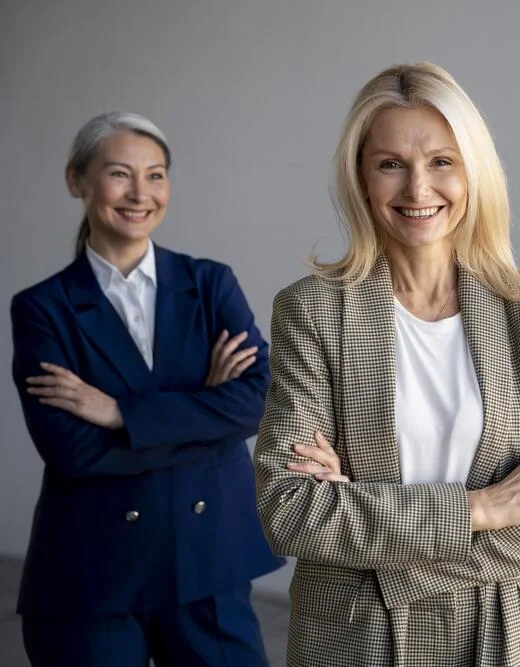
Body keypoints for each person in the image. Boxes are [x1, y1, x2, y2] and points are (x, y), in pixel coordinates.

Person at [253, 62, 520, 667]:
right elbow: (292, 512)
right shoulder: (311, 312)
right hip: (356, 640)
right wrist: (485, 508)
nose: (417, 188)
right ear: (361, 177)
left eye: (441, 162)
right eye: (390, 164)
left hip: (512, 637)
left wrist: (365, 524)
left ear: (472, 172)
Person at [10, 112, 283, 666]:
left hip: (210, 562)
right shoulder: (42, 308)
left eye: (155, 175)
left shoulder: (210, 283)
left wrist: (119, 413)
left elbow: (259, 402)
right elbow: (73, 451)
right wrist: (206, 412)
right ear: (76, 180)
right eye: (119, 174)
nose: (141, 194)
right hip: (94, 571)